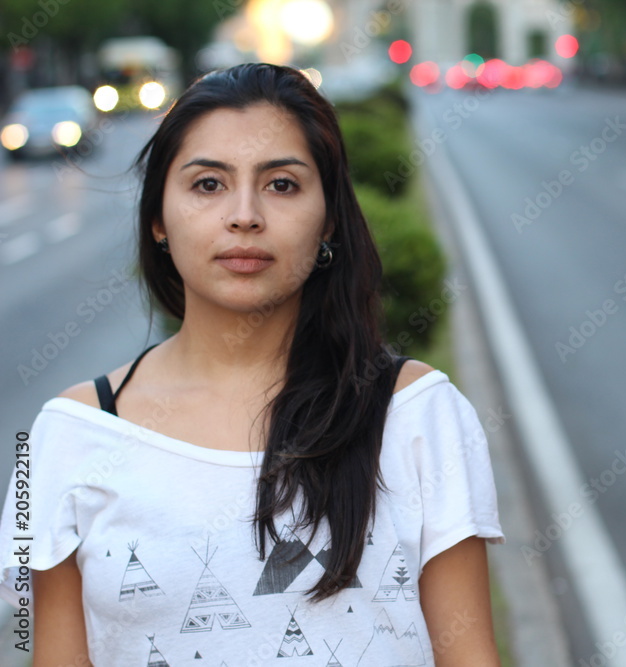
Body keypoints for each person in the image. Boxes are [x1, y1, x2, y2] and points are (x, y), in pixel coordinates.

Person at [0, 63, 505, 665]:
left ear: (330, 218)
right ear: (159, 216)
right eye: (208, 184)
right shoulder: (71, 433)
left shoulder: (418, 413)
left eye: (282, 184)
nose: (245, 215)